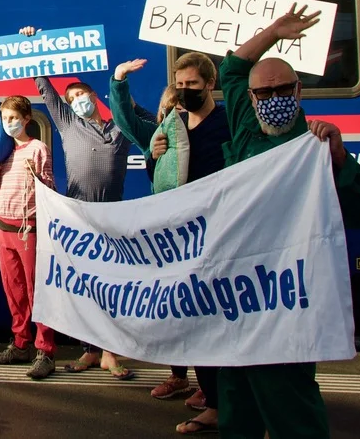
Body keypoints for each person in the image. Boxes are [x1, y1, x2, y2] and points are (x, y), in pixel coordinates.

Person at [206, 6, 360, 439]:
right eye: (263, 93)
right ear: (251, 100)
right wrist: (274, 32)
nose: (272, 98)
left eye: (282, 88)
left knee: (288, 404)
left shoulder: (316, 145)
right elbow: (232, 69)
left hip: (288, 300)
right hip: (237, 297)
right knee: (236, 402)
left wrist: (340, 159)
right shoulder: (247, 127)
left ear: (299, 89)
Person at [18, 26, 152, 380]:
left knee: (111, 287)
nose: (77, 100)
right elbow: (44, 87)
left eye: (82, 93)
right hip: (77, 219)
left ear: (95, 95)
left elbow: (154, 122)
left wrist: (128, 99)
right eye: (72, 96)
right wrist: (34, 44)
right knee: (84, 288)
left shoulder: (120, 126)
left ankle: (110, 353)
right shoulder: (67, 124)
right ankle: (90, 352)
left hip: (110, 218)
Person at [114, 53, 230, 434]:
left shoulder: (227, 124)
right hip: (183, 240)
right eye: (180, 85)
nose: (184, 92)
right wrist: (154, 156)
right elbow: (156, 167)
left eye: (192, 85)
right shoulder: (171, 126)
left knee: (221, 323)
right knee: (194, 322)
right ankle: (213, 401)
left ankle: (226, 402)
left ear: (210, 84)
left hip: (223, 235)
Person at [0, 95, 57, 379]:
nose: (9, 123)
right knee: (14, 289)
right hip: (4, 227)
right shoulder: (2, 149)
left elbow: (51, 190)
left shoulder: (38, 148)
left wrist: (39, 179)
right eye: (4, 119)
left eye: (13, 118)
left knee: (36, 291)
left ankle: (45, 350)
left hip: (29, 229)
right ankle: (21, 344)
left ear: (27, 120)